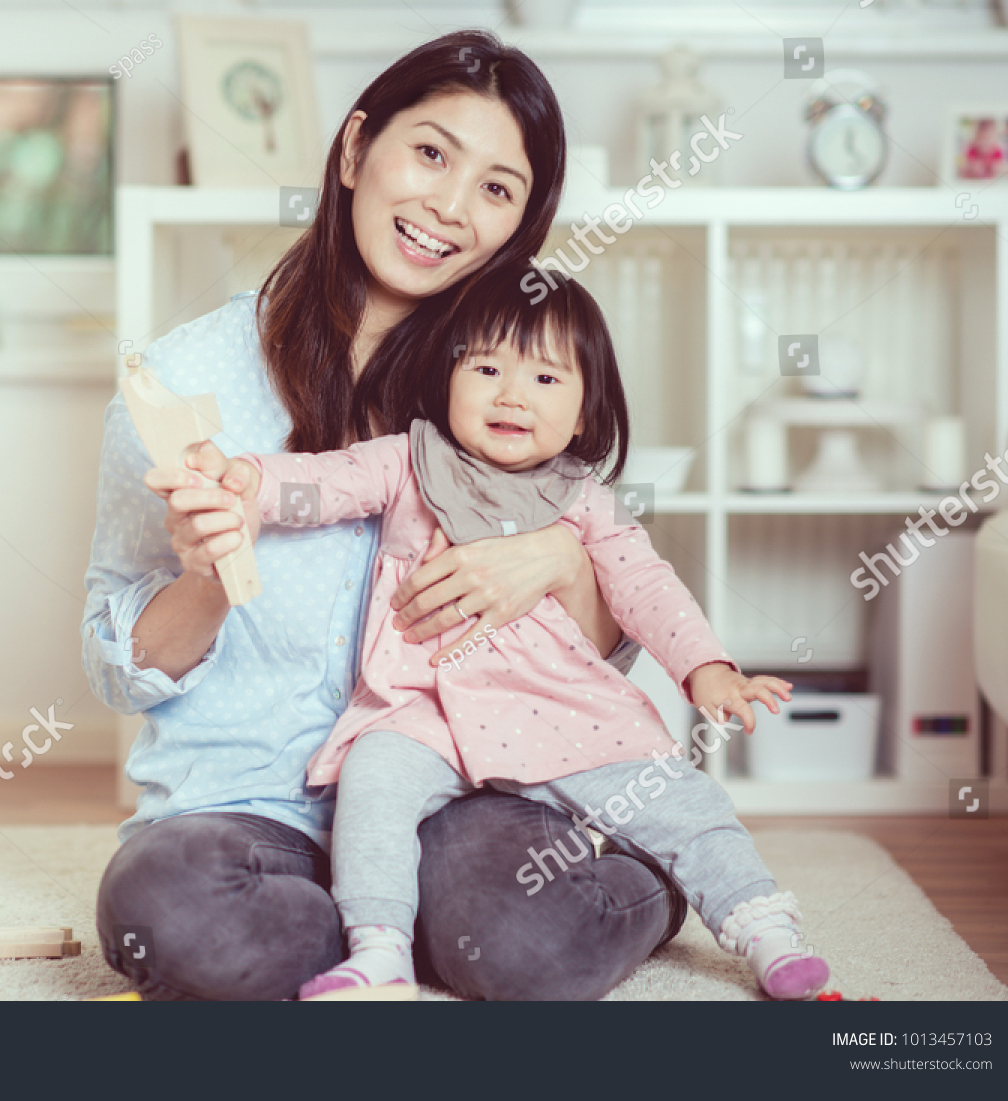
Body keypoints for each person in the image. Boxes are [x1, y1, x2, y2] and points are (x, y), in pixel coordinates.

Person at [83, 30, 688, 1002]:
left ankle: (652, 873)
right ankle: (381, 931)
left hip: (465, 780)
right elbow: (115, 662)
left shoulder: (512, 392)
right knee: (176, 910)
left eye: (497, 188)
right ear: (358, 148)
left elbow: (597, 641)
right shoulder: (186, 382)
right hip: (246, 804)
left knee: (522, 946)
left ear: (521, 227)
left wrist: (555, 561)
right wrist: (206, 575)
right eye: (432, 153)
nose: (448, 207)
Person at [191, 267, 829, 1001]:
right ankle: (378, 948)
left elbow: (649, 589)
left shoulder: (584, 501)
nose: (511, 393)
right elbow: (324, 482)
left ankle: (764, 927)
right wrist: (247, 483)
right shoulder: (409, 461)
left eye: (546, 377)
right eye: (486, 367)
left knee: (685, 798)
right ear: (447, 377)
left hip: (563, 710)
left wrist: (707, 667)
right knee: (372, 784)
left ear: (588, 411)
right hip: (424, 708)